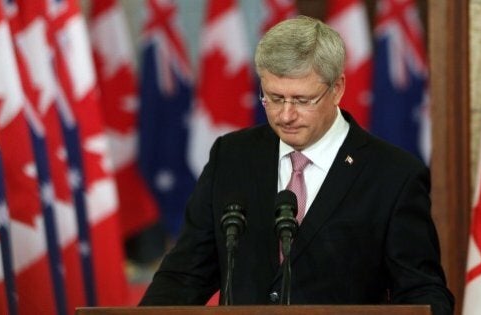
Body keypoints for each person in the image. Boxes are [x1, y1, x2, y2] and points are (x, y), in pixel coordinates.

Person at [140, 15, 454, 314]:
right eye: (274, 98)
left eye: (302, 100)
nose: (285, 115)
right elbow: (185, 275)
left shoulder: (393, 175)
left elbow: (423, 293)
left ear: (337, 89)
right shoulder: (232, 156)